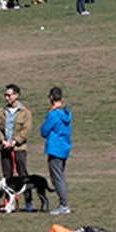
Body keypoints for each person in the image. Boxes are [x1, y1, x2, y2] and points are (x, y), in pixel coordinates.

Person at [0, 84, 33, 202]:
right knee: (7, 176)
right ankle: (8, 202)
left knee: (23, 175)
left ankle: (28, 201)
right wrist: (2, 140)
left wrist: (15, 141)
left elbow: (26, 129)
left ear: (16, 95)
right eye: (5, 95)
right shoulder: (2, 111)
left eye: (9, 95)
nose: (7, 98)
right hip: (5, 148)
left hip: (19, 148)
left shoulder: (25, 112)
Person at [40, 87, 72, 215]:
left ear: (51, 98)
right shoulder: (66, 112)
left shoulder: (53, 114)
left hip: (55, 148)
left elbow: (44, 130)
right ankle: (63, 203)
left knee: (57, 177)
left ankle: (63, 204)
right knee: (61, 176)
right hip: (64, 147)